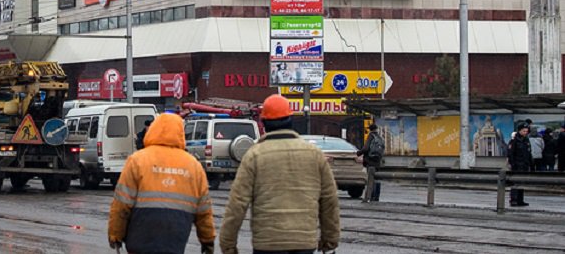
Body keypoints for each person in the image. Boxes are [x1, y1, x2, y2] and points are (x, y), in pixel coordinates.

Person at [220, 95, 340, 254]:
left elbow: (237, 203)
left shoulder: (254, 155)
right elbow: (329, 199)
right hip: (303, 242)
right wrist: (329, 239)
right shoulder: (314, 154)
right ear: (290, 119)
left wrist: (228, 245)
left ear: (264, 123)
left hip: (267, 244)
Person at [108, 113, 216, 254]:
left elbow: (121, 204)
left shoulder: (137, 161)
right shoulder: (193, 166)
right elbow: (204, 211)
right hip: (175, 237)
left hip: (140, 237)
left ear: (153, 130)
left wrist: (115, 235)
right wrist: (207, 240)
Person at [357, 123, 385, 202]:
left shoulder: (371, 136)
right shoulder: (380, 138)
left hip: (370, 161)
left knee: (370, 181)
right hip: (377, 162)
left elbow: (365, 149)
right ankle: (376, 197)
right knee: (376, 180)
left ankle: (367, 198)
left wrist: (358, 153)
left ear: (370, 129)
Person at [508, 122, 531, 206]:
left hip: (524, 165)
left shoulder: (526, 140)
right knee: (515, 183)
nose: (525, 132)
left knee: (521, 183)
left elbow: (529, 153)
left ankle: (520, 200)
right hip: (517, 165)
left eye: (526, 131)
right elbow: (510, 153)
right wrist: (513, 164)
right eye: (524, 131)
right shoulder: (514, 141)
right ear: (520, 131)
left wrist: (530, 164)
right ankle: (513, 200)